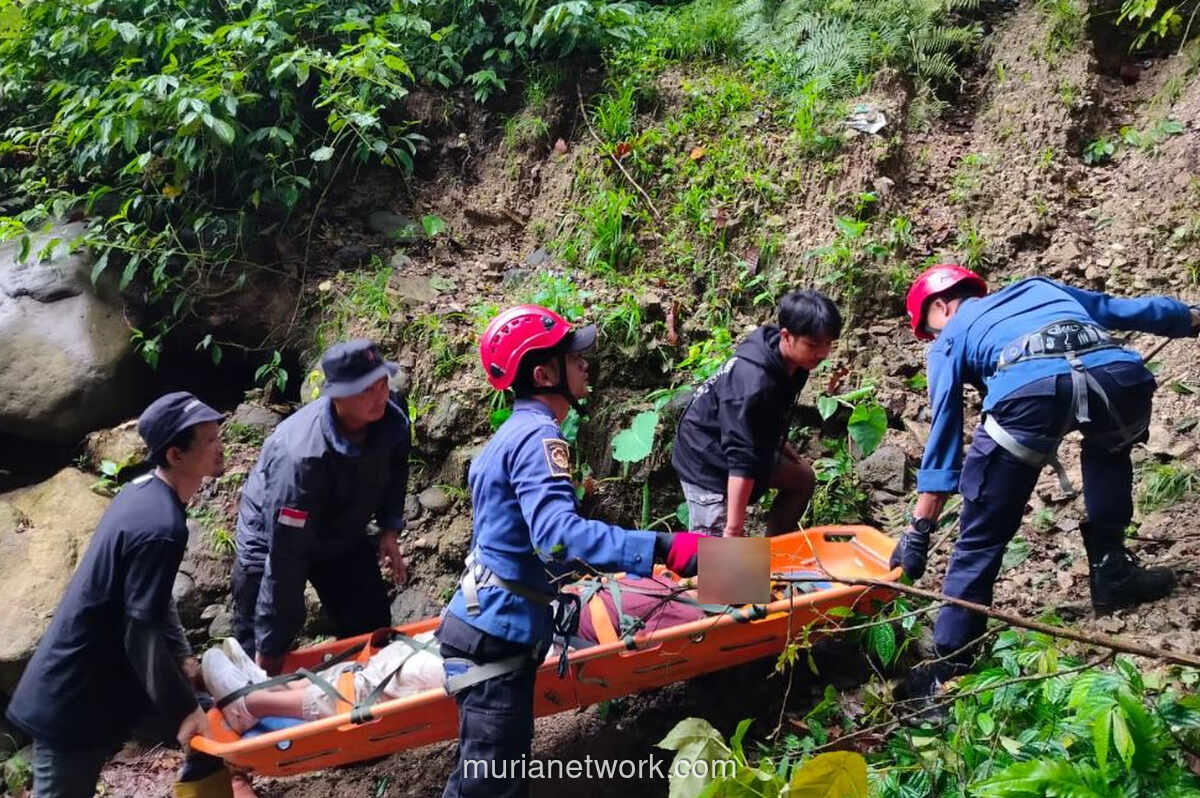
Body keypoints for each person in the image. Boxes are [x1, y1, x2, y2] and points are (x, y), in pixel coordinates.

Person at [892, 264, 1200, 707]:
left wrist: (918, 529)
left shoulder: (952, 335)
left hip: (1029, 392)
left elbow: (944, 428)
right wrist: (1187, 317)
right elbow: (1120, 309)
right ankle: (1112, 569)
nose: (932, 337)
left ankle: (950, 667)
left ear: (940, 305)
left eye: (928, 328)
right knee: (1110, 448)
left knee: (980, 533)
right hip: (1118, 377)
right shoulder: (1038, 288)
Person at [437, 304, 703, 798]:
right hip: (494, 636)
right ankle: (754, 574)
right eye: (573, 357)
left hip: (489, 624)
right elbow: (558, 537)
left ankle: (750, 573)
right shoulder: (538, 436)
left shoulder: (512, 434)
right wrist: (665, 546)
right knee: (489, 788)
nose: (585, 364)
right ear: (543, 373)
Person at [5, 391, 241, 798]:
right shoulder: (160, 526)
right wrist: (184, 711)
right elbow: (140, 629)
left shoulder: (144, 493)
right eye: (208, 441)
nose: (221, 446)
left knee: (206, 721)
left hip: (113, 682)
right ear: (175, 455)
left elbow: (153, 597)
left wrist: (183, 657)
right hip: (74, 698)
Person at [200, 575, 706, 732]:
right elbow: (745, 564)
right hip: (533, 621)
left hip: (540, 646)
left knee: (399, 675)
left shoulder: (702, 609)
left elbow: (619, 649)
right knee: (400, 656)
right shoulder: (695, 576)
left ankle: (258, 704)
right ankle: (277, 688)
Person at [232, 339, 411, 677]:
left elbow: (397, 464)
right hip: (271, 540)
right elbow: (285, 560)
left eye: (383, 383)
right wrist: (271, 648)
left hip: (340, 527)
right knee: (258, 656)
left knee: (372, 629)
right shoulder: (299, 457)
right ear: (337, 396)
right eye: (365, 390)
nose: (380, 395)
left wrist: (389, 527)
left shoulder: (391, 412)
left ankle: (366, 708)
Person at [671, 290, 842, 537]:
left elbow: (764, 420)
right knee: (721, 558)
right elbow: (741, 457)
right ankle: (725, 568)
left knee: (800, 477)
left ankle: (774, 553)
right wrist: (734, 527)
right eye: (814, 345)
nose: (823, 353)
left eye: (828, 343)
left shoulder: (793, 361)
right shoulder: (753, 383)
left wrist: (782, 450)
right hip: (707, 458)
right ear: (786, 336)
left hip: (743, 442)